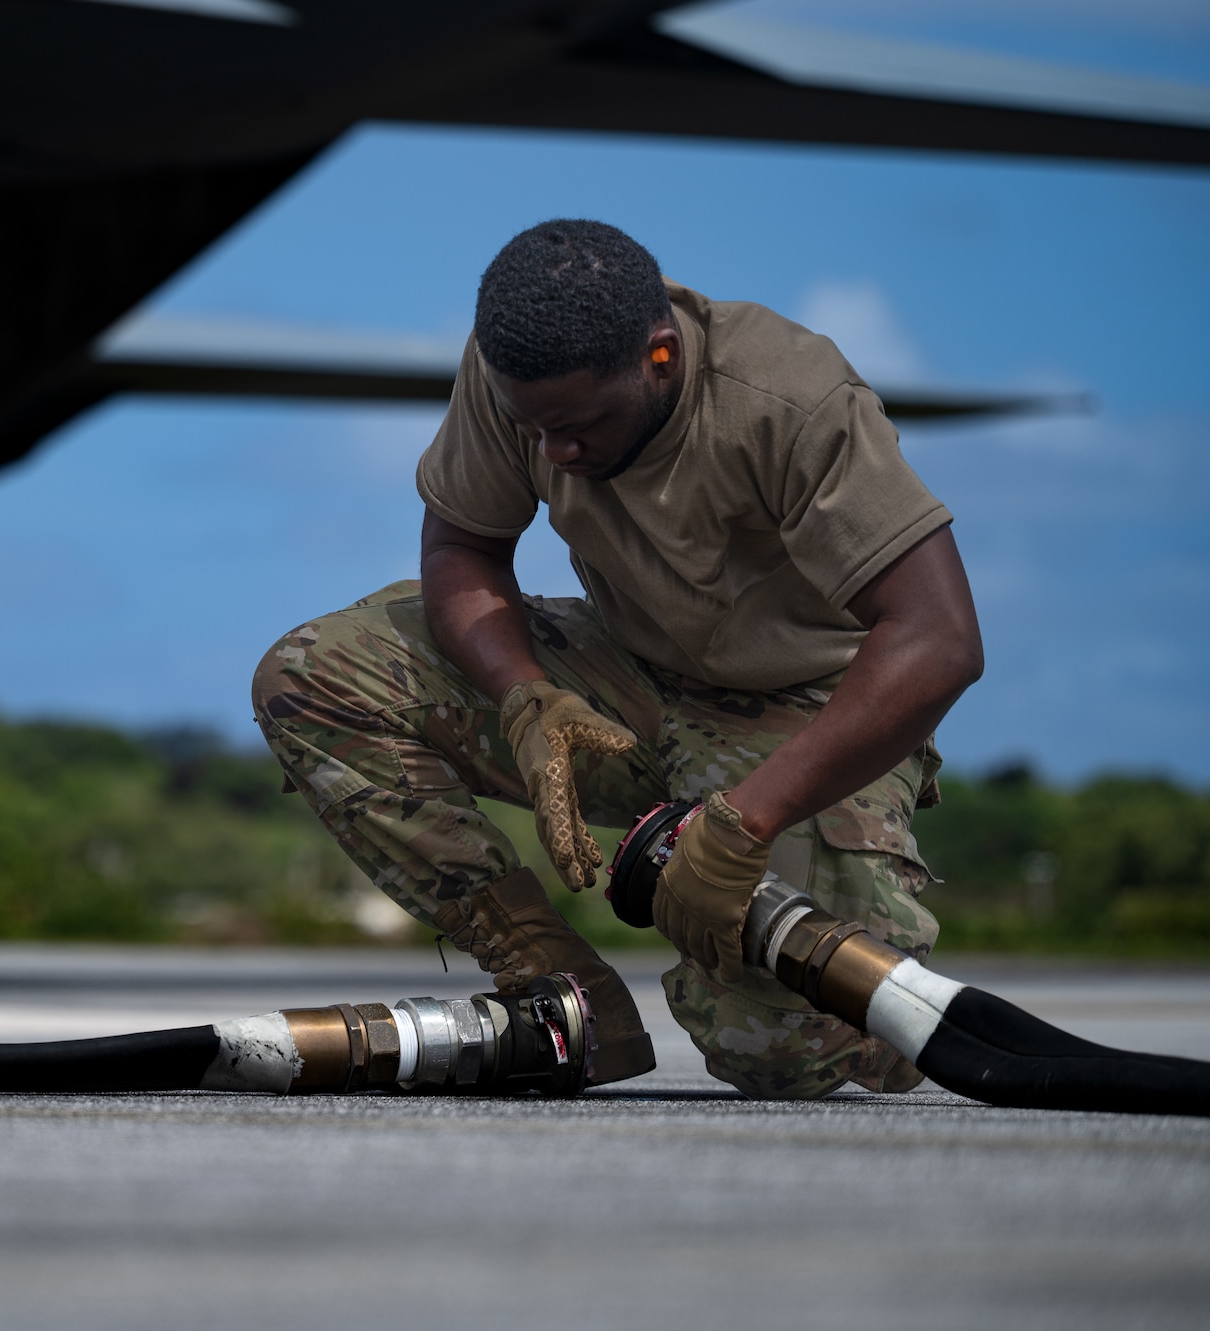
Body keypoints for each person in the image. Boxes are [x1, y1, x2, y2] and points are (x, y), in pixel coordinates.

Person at [253, 220, 982, 1097]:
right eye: (536, 427)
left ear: (661, 355)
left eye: (580, 424)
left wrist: (746, 822)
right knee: (314, 675)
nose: (556, 452)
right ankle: (567, 999)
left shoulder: (789, 400)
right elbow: (463, 550)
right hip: (625, 677)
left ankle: (863, 978)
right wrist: (524, 696)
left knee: (784, 1052)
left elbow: (938, 639)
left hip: (806, 710)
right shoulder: (513, 374)